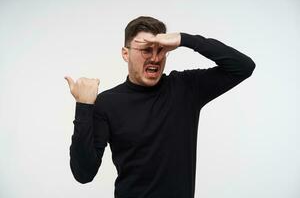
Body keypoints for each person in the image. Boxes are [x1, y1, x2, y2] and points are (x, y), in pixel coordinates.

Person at [65, 16, 255, 198]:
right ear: (125, 53)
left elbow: (243, 66)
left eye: (161, 50)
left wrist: (184, 39)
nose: (155, 58)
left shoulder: (185, 88)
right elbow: (84, 173)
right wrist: (84, 106)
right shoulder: (108, 103)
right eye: (146, 50)